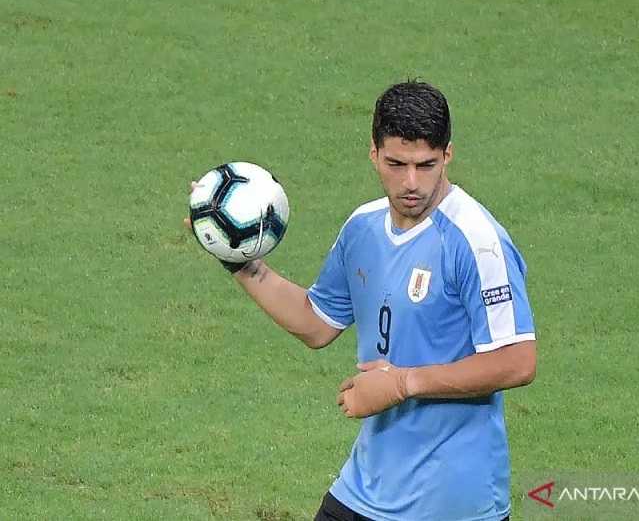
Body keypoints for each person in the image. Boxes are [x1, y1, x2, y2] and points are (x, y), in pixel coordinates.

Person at [190, 81, 537, 521]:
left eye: (426, 165)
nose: (412, 182)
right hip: (365, 490)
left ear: (447, 155)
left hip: (450, 502)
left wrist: (400, 384)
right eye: (396, 163)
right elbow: (316, 323)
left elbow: (518, 360)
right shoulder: (363, 228)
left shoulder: (478, 242)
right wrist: (239, 262)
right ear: (373, 153)